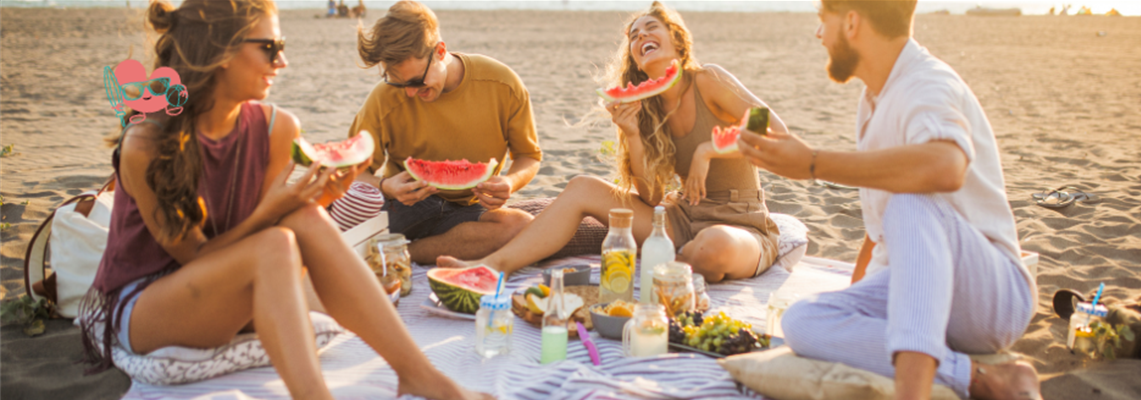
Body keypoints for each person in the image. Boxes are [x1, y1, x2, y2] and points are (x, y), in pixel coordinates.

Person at [78, 1, 488, 399]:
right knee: (278, 238)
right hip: (149, 304)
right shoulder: (147, 143)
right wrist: (273, 211)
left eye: (283, 47)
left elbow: (262, 243)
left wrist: (318, 199)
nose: (282, 62)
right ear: (222, 51)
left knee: (305, 219)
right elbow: (196, 257)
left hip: (232, 288)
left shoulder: (277, 128)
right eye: (270, 48)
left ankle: (419, 375)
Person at [736, 1, 1041, 399]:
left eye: (821, 21)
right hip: (917, 284)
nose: (818, 35)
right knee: (803, 320)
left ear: (851, 21)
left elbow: (947, 167)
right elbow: (880, 233)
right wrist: (854, 294)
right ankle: (981, 375)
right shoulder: (874, 99)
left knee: (911, 202)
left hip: (988, 297)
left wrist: (812, 163)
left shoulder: (927, 84)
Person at [438, 1, 782, 283]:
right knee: (582, 186)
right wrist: (632, 133)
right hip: (680, 220)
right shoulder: (645, 107)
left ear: (677, 39)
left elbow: (771, 125)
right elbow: (651, 197)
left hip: (740, 222)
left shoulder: (709, 78)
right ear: (634, 56)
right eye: (634, 35)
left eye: (651, 28)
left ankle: (670, 261)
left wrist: (708, 150)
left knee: (714, 247)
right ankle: (493, 267)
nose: (640, 36)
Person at [350, 1, 540, 264]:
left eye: (417, 81)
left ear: (440, 51)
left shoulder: (502, 84)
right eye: (399, 82)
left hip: (465, 211)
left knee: (520, 226)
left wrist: (510, 182)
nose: (410, 92)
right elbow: (352, 171)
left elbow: (529, 156)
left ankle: (404, 254)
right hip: (401, 206)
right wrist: (386, 186)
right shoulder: (384, 98)